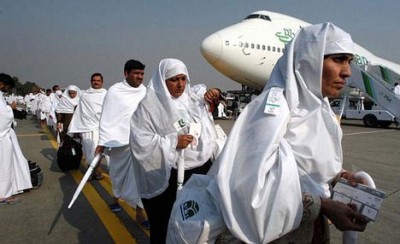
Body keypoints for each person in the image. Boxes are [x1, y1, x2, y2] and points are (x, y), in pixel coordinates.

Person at [210, 23, 369, 243]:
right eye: (338, 59)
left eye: (349, 61)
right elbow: (248, 190)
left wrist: (340, 177)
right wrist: (322, 205)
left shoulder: (321, 112)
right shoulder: (272, 110)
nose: (347, 72)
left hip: (313, 231)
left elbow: (309, 165)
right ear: (309, 60)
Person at [129, 58, 224, 244]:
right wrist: (173, 142)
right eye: (174, 80)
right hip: (168, 177)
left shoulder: (192, 100)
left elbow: (208, 98)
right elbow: (140, 142)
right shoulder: (149, 107)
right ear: (162, 80)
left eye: (183, 78)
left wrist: (214, 93)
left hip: (198, 170)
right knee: (164, 224)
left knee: (194, 221)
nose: (180, 85)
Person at [95, 60, 148, 225]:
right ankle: (116, 199)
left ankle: (140, 212)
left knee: (140, 178)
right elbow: (107, 117)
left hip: (140, 143)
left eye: (142, 74)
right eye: (136, 73)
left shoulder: (146, 91)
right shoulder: (114, 91)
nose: (140, 77)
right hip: (119, 142)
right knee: (118, 176)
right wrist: (102, 141)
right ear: (126, 73)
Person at [0, 73, 32, 204]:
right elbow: (3, 116)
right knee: (4, 165)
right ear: (2, 84)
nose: (7, 89)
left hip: (5, 135)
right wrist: (10, 108)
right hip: (2, 138)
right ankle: (3, 195)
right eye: (7, 86)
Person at [68, 73, 108, 180]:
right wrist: (76, 127)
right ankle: (93, 171)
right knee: (88, 151)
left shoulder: (107, 94)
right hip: (86, 127)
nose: (96, 82)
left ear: (102, 82)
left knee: (98, 151)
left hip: (101, 128)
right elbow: (79, 111)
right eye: (94, 80)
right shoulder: (85, 95)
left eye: (98, 80)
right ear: (91, 82)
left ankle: (93, 171)